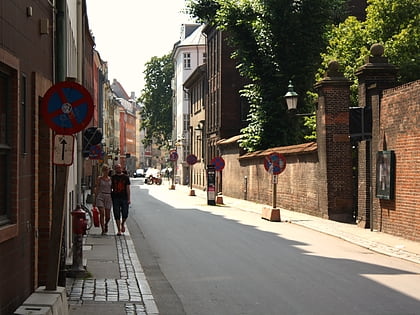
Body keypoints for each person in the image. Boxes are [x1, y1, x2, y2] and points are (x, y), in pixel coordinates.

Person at [111, 164, 131, 235]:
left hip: (124, 198)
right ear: (115, 169)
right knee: (116, 214)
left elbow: (128, 188)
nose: (118, 169)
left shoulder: (126, 177)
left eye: (119, 168)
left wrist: (129, 198)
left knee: (125, 213)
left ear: (121, 168)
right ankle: (119, 230)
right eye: (116, 168)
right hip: (115, 198)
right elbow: (110, 188)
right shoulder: (113, 177)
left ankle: (122, 224)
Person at [93, 164, 112, 235]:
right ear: (103, 171)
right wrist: (95, 199)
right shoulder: (99, 178)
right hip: (100, 196)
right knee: (102, 212)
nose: (106, 171)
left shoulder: (111, 179)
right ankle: (103, 229)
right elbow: (97, 189)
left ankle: (106, 223)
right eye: (105, 170)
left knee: (108, 216)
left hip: (108, 196)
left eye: (107, 170)